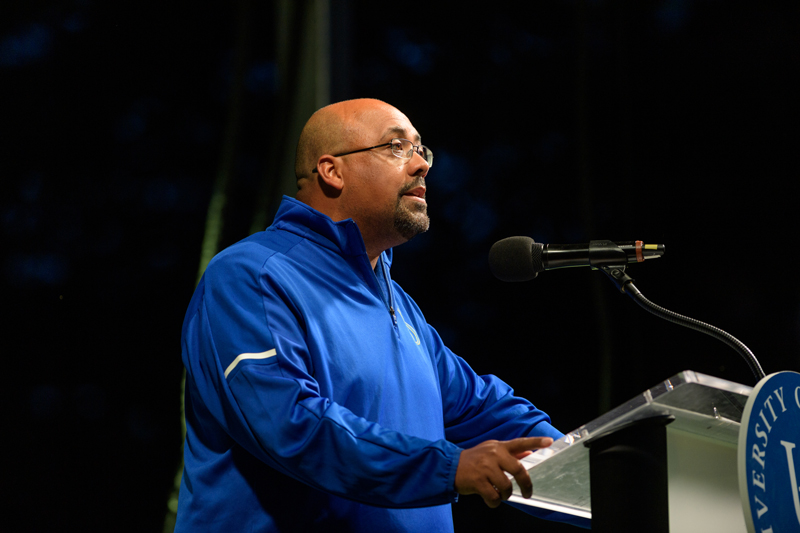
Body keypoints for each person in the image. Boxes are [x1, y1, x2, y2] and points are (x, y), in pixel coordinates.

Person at [175, 98, 565, 532]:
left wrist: (598, 465)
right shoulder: (251, 276)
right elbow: (290, 425)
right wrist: (447, 468)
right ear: (332, 171)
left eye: (422, 150)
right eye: (397, 147)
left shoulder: (400, 307)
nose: (421, 165)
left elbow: (485, 411)